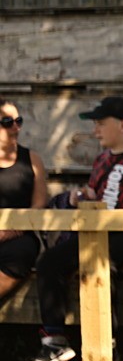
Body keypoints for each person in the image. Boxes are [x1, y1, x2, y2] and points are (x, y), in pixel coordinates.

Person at [23, 97, 123, 361]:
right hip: (94, 232)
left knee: (99, 263)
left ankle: (107, 345)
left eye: (101, 124)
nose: (95, 131)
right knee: (50, 261)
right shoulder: (101, 160)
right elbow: (95, 195)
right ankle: (54, 341)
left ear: (122, 125)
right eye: (95, 124)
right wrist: (79, 197)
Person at [0, 98, 48, 303]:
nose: (15, 127)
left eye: (18, 121)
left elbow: (39, 203)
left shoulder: (32, 159)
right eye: (7, 122)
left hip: (19, 234)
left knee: (21, 253)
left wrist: (14, 229)